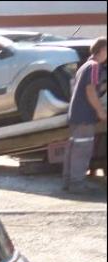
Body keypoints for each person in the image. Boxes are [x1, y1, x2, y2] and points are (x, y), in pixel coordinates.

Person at [62, 36, 107, 194]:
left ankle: (68, 182)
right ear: (103, 50)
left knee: (73, 148)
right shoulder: (94, 66)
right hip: (85, 116)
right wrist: (101, 112)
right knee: (82, 150)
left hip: (75, 115)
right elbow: (90, 90)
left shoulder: (84, 66)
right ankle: (77, 184)